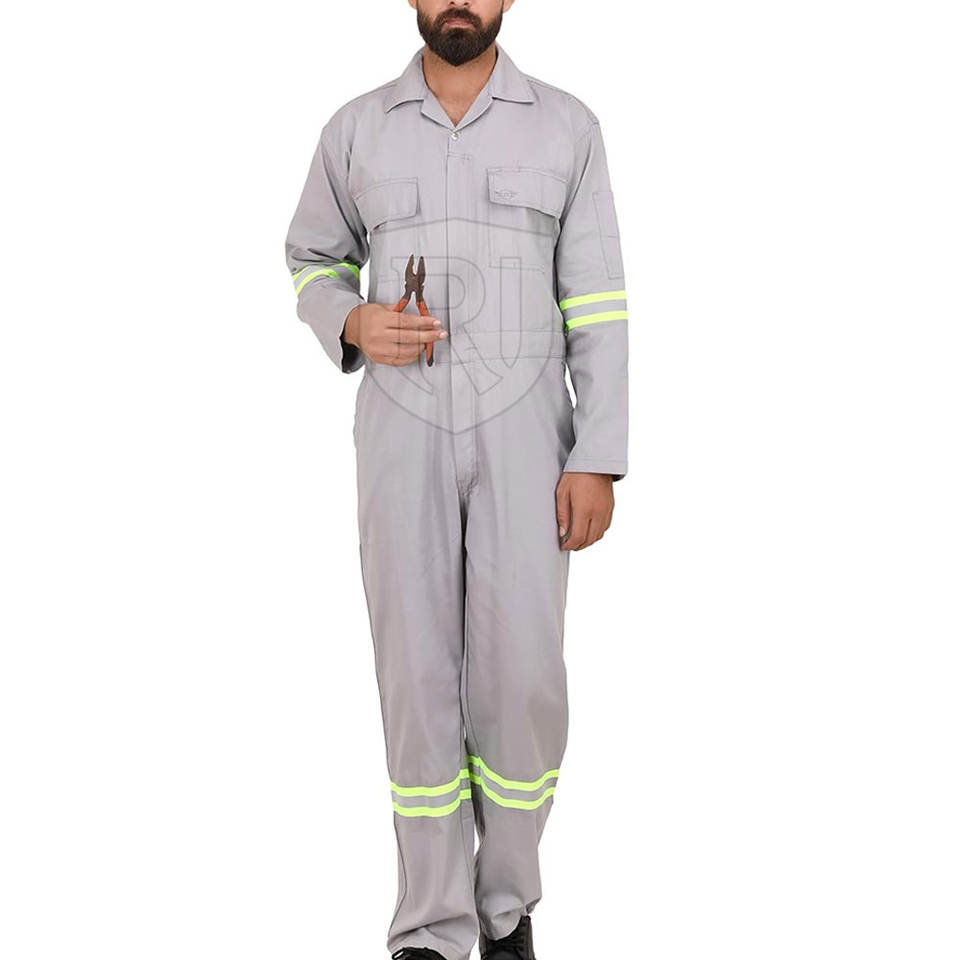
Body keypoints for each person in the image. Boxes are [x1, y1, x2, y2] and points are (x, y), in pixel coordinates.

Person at [283, 3, 628, 958]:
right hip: (403, 439)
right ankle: (431, 928)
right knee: (418, 679)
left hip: (530, 442)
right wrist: (352, 321)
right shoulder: (355, 129)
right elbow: (310, 258)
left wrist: (597, 453)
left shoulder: (568, 128)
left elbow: (599, 300)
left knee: (523, 680)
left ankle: (505, 911)